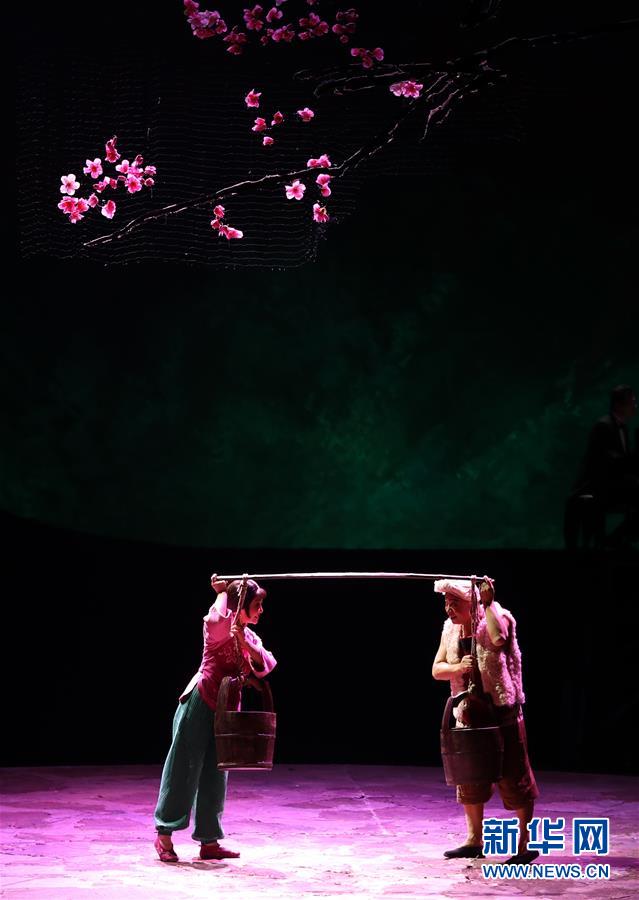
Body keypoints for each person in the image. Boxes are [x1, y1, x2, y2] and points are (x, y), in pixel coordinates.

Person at [153, 575, 276, 862]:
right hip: (200, 702)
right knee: (184, 768)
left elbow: (267, 663)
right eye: (256, 605)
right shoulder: (220, 628)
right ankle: (164, 835)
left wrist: (244, 641)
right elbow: (216, 619)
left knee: (216, 774)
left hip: (225, 711)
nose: (261, 610)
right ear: (240, 606)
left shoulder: (248, 635)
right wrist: (222, 592)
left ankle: (209, 841)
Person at [432, 578, 539, 864]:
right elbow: (437, 669)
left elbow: (499, 638)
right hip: (470, 713)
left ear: (472, 603)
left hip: (501, 712)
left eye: (455, 603)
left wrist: (489, 603)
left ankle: (524, 844)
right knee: (469, 778)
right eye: (446, 603)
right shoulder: (449, 629)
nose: (449, 609)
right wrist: (458, 667)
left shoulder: (497, 616)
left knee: (514, 776)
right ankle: (474, 840)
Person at [566, 384, 638, 549]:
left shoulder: (623, 428)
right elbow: (606, 462)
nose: (635, 406)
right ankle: (612, 543)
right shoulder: (603, 426)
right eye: (632, 402)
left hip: (611, 484)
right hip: (597, 486)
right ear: (619, 405)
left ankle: (615, 542)